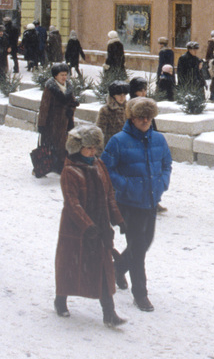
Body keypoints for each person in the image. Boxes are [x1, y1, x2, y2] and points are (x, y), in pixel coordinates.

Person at [54, 124, 127, 328]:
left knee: (103, 269)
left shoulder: (99, 165)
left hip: (100, 226)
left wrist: (118, 219)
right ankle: (60, 299)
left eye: (95, 147)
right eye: (88, 148)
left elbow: (109, 194)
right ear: (77, 148)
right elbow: (72, 203)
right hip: (76, 230)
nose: (92, 152)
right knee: (70, 265)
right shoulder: (70, 171)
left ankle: (109, 313)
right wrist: (87, 225)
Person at [102, 96, 171, 313]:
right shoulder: (118, 141)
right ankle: (140, 294)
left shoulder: (158, 139)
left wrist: (162, 184)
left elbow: (167, 164)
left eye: (149, 117)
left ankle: (117, 268)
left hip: (150, 201)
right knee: (139, 248)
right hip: (129, 203)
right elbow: (106, 168)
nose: (145, 121)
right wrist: (126, 186)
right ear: (132, 118)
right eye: (141, 117)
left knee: (145, 242)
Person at [35, 63, 79, 178]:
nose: (64, 77)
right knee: (52, 144)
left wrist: (71, 108)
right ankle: (52, 164)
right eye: (61, 75)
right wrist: (41, 124)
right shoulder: (50, 88)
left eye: (66, 75)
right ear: (55, 76)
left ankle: (60, 163)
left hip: (66, 121)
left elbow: (72, 101)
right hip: (52, 122)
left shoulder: (68, 87)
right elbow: (44, 107)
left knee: (64, 143)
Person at [97, 82, 130, 147]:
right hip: (111, 145)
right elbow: (100, 131)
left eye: (124, 95)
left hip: (127, 145)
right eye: (119, 95)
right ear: (113, 95)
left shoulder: (128, 109)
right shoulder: (105, 110)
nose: (122, 97)